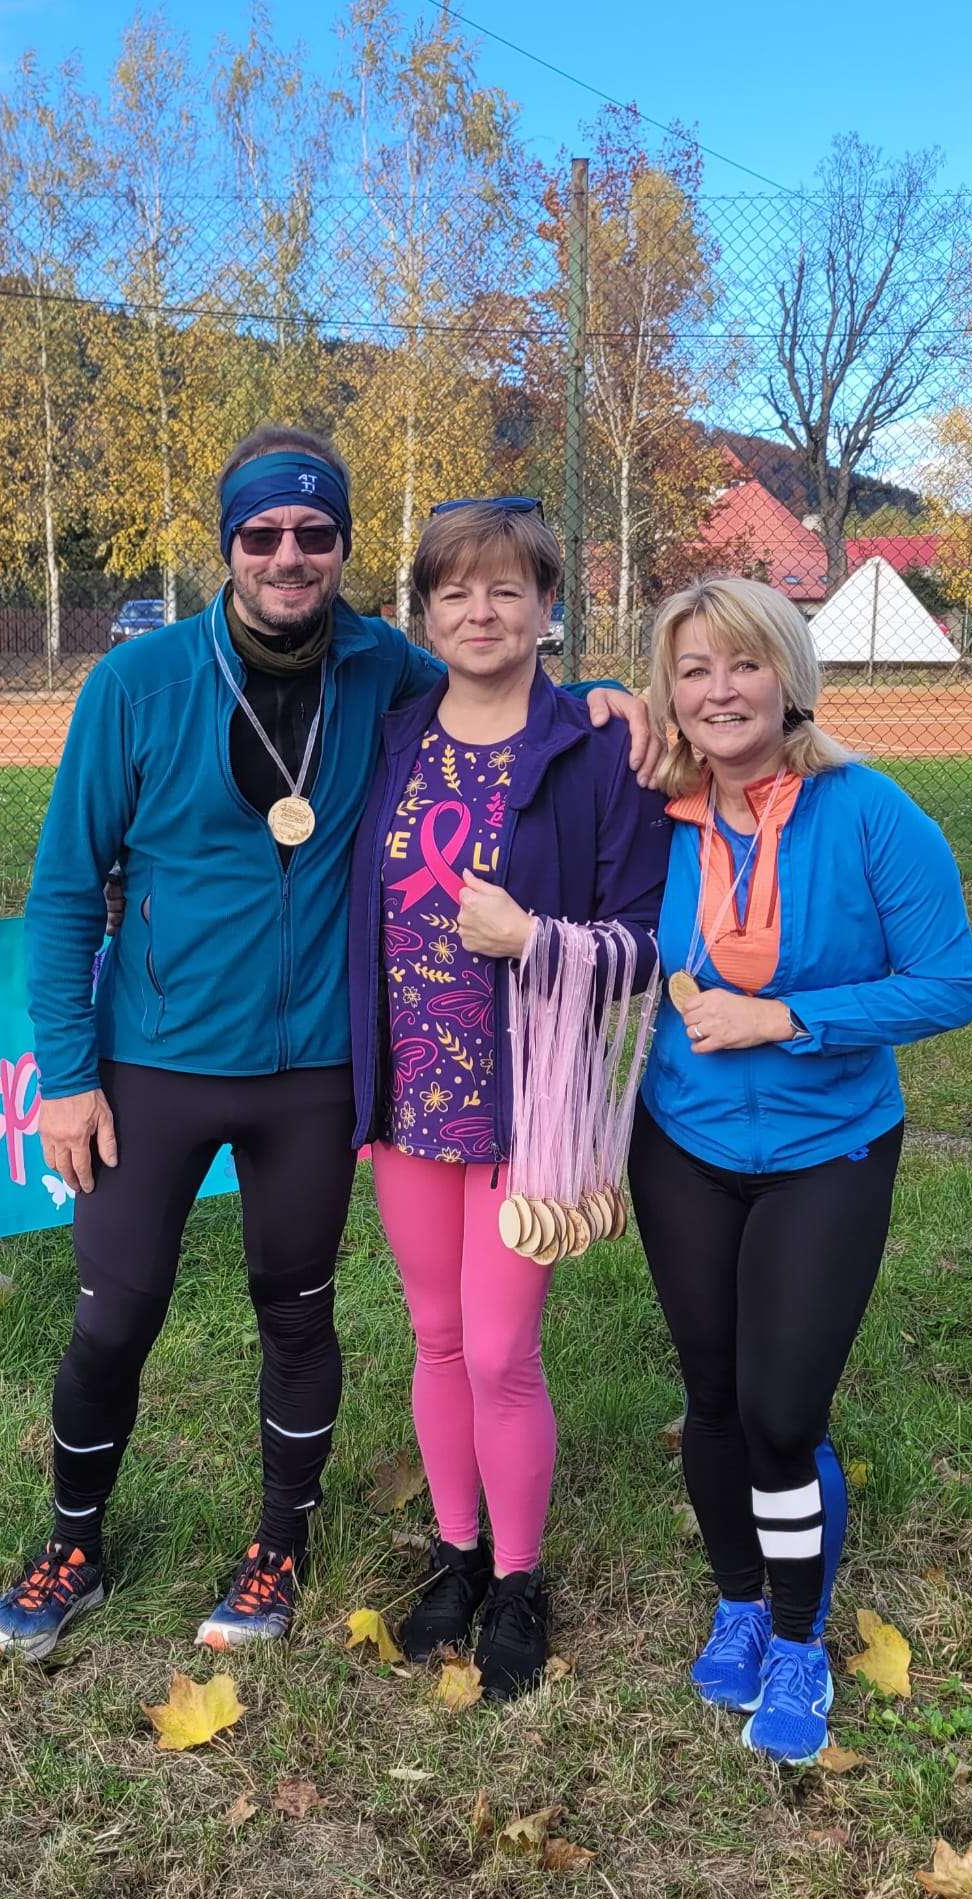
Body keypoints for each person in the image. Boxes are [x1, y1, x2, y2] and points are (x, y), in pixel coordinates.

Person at [0, 428, 655, 1661]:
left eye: (315, 533)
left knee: (297, 1313)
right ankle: (74, 1540)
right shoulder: (135, 686)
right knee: (113, 1313)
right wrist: (67, 1075)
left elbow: (499, 669)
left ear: (342, 545)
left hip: (316, 1072)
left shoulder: (382, 669)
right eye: (262, 534)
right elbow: (66, 891)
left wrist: (606, 694)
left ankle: (278, 1547)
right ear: (228, 545)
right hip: (157, 1059)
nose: (288, 556)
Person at [627, 575, 972, 1764]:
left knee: (781, 1414)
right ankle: (738, 1601)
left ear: (791, 678)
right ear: (670, 694)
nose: (720, 690)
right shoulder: (656, 817)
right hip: (682, 1145)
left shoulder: (870, 811)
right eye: (693, 670)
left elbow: (949, 984)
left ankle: (796, 1638)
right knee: (712, 1398)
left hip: (829, 1147)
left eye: (744, 663)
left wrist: (787, 1019)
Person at [346, 499, 670, 1697]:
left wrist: (537, 938)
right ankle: (458, 1552)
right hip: (408, 1095)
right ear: (424, 615)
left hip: (528, 1104)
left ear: (547, 606)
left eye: (505, 589)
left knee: (497, 1351)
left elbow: (648, 942)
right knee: (435, 1336)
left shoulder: (598, 752)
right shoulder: (389, 741)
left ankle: (521, 1576)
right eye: (454, 592)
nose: (479, 613)